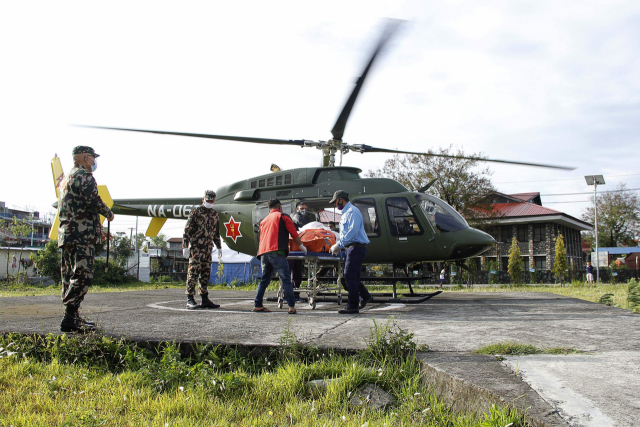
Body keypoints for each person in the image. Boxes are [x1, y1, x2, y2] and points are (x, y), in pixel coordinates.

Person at [58, 146, 114, 333]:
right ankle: (69, 319)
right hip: (81, 235)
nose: (94, 162)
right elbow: (93, 200)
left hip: (67, 234)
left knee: (69, 275)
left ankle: (72, 316)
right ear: (85, 158)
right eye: (92, 158)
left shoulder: (66, 178)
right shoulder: (84, 176)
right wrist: (108, 213)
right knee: (83, 275)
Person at [254, 199, 307, 314]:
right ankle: (291, 307)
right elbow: (293, 232)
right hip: (277, 252)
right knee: (286, 279)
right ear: (279, 206)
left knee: (264, 280)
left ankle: (258, 304)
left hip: (263, 253)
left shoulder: (264, 220)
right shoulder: (282, 216)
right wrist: (301, 245)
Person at [329, 190, 372, 314]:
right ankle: (365, 296)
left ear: (341, 199)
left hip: (356, 247)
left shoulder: (352, 211)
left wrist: (338, 245)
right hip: (351, 248)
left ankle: (352, 306)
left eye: (336, 202)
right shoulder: (346, 213)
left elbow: (352, 232)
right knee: (351, 277)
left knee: (349, 276)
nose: (335, 205)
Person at [182, 190, 222, 309]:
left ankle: (204, 298)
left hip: (208, 248)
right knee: (193, 272)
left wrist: (219, 246)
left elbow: (216, 232)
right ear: (203, 199)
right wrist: (185, 246)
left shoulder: (214, 214)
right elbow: (187, 230)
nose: (210, 202)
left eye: (212, 201)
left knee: (205, 273)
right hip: (196, 248)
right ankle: (190, 298)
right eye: (208, 200)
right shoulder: (196, 212)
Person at [289, 202, 315, 299]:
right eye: (301, 208)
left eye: (305, 209)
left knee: (298, 273)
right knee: (289, 271)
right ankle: (287, 293)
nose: (303, 210)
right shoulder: (294, 215)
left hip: (299, 248)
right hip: (291, 248)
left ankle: (295, 293)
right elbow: (300, 221)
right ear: (297, 209)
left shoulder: (306, 218)